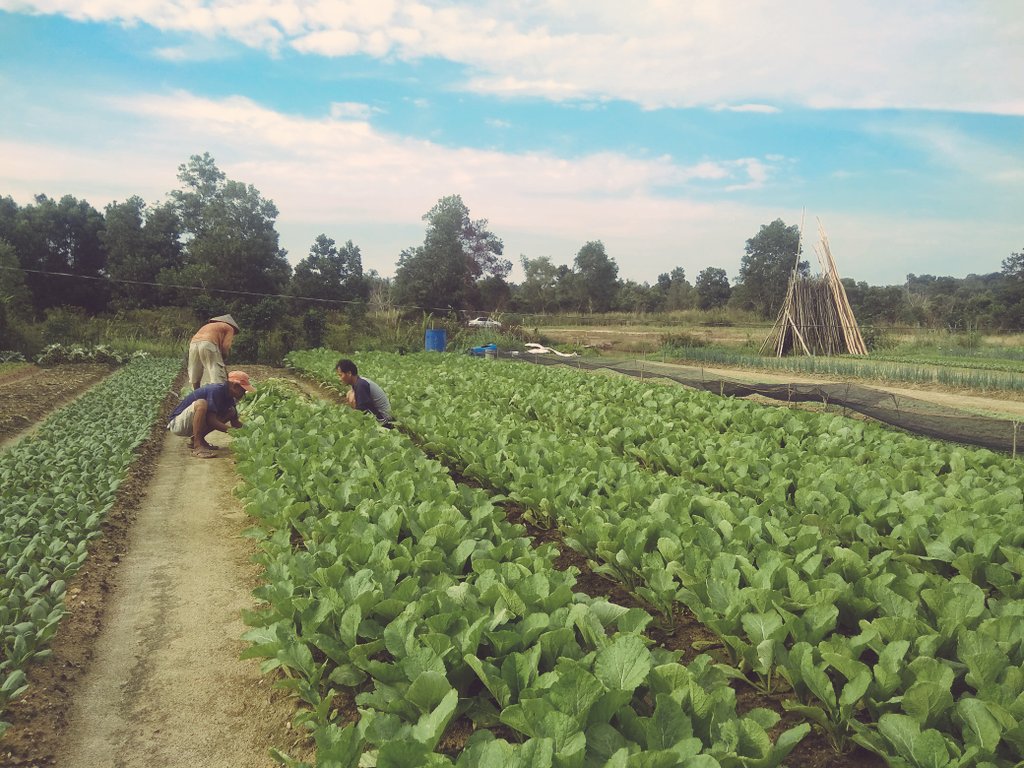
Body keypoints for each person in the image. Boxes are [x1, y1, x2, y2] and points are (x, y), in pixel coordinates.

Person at [167, 370, 256, 458]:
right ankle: (197, 446)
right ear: (235, 386)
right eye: (243, 391)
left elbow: (235, 423)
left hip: (190, 424)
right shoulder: (216, 390)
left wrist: (250, 432)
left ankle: (196, 439)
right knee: (201, 404)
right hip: (177, 424)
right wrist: (233, 431)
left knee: (231, 411)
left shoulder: (230, 398)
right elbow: (211, 421)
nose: (244, 394)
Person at [188, 314, 240, 391]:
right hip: (209, 343)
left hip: (193, 344)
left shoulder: (208, 326)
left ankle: (195, 393)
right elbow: (226, 346)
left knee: (195, 370)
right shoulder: (229, 328)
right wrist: (224, 357)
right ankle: (218, 394)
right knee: (216, 371)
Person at [335, 359, 393, 427]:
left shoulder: (361, 385)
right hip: (378, 414)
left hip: (384, 419)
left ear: (349, 373)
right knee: (350, 395)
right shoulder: (358, 381)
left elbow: (363, 409)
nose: (339, 379)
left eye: (340, 375)